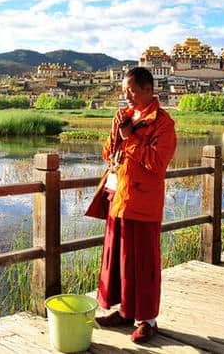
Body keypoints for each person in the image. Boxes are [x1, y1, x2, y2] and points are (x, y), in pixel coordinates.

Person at [85, 66, 176, 344]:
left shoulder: (162, 123)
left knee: (144, 263)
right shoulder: (124, 116)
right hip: (119, 198)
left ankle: (147, 321)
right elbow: (108, 154)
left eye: (132, 91)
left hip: (144, 202)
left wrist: (130, 138)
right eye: (124, 91)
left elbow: (157, 164)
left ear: (149, 90)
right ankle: (125, 311)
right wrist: (115, 135)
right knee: (119, 260)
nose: (127, 96)